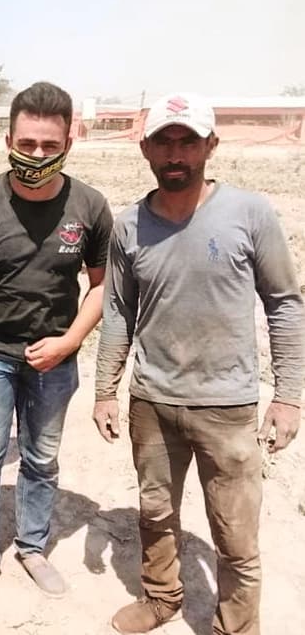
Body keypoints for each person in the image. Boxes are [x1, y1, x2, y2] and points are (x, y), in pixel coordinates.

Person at [94, 92, 304, 635]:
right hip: (152, 402)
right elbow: (117, 311)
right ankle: (162, 597)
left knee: (235, 535)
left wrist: (288, 396)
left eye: (187, 141)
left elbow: (284, 304)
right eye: (163, 141)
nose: (175, 154)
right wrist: (105, 390)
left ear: (211, 145)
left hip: (227, 406)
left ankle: (236, 627)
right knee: (155, 512)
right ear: (145, 149)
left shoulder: (249, 214)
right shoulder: (129, 225)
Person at [0, 81, 113, 610]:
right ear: (8, 141)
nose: (37, 155)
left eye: (49, 146)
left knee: (41, 458)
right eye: (27, 144)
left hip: (54, 362)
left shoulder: (89, 206)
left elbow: (102, 287)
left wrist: (69, 341)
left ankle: (33, 548)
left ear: (68, 145)